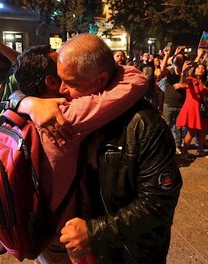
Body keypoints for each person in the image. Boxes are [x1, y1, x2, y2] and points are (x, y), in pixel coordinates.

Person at [12, 40, 148, 263]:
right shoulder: (64, 116)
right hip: (65, 236)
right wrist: (103, 63)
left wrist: (23, 101)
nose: (66, 87)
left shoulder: (21, 116)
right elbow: (137, 79)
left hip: (38, 226)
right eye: (63, 76)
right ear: (51, 81)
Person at [55, 35, 182, 263]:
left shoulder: (144, 124)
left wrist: (94, 231)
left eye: (71, 83)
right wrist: (23, 101)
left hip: (132, 253)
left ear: (101, 79)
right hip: (96, 250)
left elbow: (158, 204)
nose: (61, 90)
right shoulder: (80, 111)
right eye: (60, 80)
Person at [176, 62, 208, 159]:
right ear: (194, 70)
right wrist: (183, 71)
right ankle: (184, 153)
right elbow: (183, 80)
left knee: (203, 130)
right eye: (199, 68)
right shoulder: (191, 80)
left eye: (203, 68)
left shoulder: (204, 81)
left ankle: (200, 151)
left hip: (201, 109)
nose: (201, 69)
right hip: (192, 108)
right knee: (191, 131)